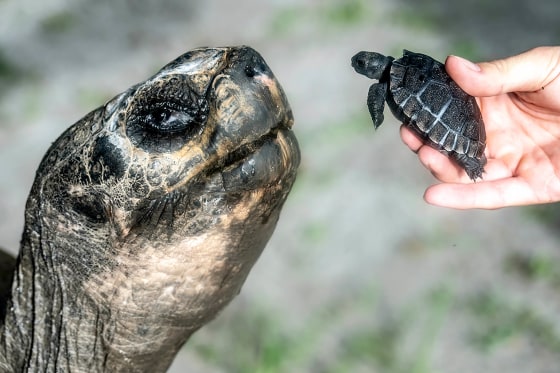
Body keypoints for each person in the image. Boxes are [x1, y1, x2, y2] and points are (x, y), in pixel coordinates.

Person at [400, 46, 560, 210]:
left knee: (460, 155)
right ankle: (472, 159)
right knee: (455, 153)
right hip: (459, 124)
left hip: (456, 124)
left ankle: (472, 162)